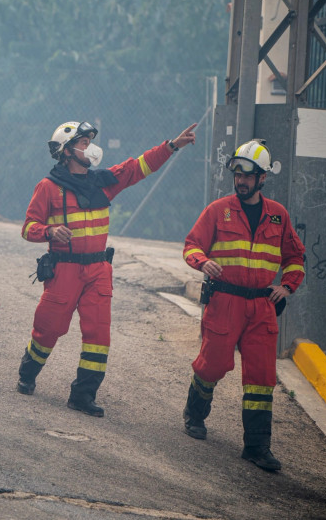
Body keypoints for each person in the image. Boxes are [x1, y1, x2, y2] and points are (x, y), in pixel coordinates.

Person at [16, 120, 198, 417]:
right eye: (84, 143)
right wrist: (49, 232)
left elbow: (138, 167)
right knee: (48, 329)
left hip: (99, 270)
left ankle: (83, 395)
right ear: (66, 151)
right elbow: (28, 228)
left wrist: (172, 146)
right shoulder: (48, 187)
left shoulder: (103, 181)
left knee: (98, 336)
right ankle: (28, 372)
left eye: (90, 142)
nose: (90, 148)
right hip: (64, 271)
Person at [181, 139, 305, 471]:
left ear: (262, 178)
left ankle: (257, 447)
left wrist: (287, 286)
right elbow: (192, 245)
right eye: (237, 173)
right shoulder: (218, 210)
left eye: (248, 175)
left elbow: (295, 258)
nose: (241, 180)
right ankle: (194, 414)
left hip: (262, 307)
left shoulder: (278, 216)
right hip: (225, 301)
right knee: (213, 364)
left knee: (262, 377)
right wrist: (202, 262)